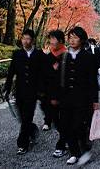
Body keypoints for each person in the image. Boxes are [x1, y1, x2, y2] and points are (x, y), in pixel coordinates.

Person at [58, 26, 99, 165]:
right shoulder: (64, 56)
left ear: (82, 40)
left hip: (83, 99)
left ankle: (86, 149)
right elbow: (58, 79)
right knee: (66, 126)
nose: (72, 40)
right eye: (70, 37)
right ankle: (74, 153)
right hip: (66, 98)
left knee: (79, 126)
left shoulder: (88, 57)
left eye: (75, 37)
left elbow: (92, 80)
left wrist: (95, 100)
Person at [4, 29, 46, 155]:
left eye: (28, 39)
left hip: (32, 92)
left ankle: (22, 144)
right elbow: (11, 72)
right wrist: (7, 87)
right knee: (23, 117)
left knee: (27, 117)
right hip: (20, 91)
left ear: (32, 40)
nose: (25, 41)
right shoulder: (17, 54)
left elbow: (45, 73)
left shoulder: (39, 55)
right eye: (23, 38)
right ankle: (32, 130)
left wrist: (43, 90)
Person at [43, 30, 68, 158]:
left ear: (61, 41)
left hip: (65, 95)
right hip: (51, 95)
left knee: (64, 120)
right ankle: (67, 138)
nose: (52, 42)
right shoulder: (48, 57)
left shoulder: (67, 56)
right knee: (57, 121)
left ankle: (61, 145)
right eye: (50, 39)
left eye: (54, 39)